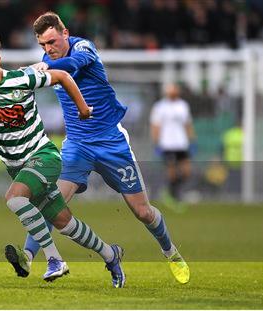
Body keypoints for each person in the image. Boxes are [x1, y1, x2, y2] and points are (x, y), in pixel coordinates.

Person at [13, 12, 189, 285]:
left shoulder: (84, 48)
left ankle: (171, 252)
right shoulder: (49, 61)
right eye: (43, 45)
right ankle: (28, 256)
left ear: (65, 33)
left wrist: (42, 67)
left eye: (51, 41)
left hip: (111, 142)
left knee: (142, 211)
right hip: (77, 145)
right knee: (50, 201)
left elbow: (73, 64)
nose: (49, 49)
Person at [0, 33, 125, 284]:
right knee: (65, 223)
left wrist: (83, 108)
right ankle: (110, 254)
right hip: (16, 167)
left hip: (43, 156)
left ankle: (54, 260)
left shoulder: (23, 78)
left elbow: (62, 76)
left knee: (14, 198)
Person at [150, 83, 196, 206]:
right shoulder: (160, 107)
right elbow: (155, 126)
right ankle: (174, 195)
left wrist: (192, 140)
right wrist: (156, 143)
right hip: (167, 144)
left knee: (186, 171)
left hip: (182, 143)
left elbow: (188, 124)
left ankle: (173, 191)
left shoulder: (183, 106)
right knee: (171, 171)